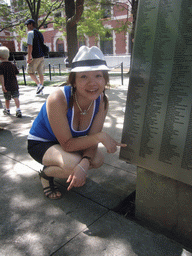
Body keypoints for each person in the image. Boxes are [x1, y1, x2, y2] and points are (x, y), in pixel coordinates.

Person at [27, 46, 126, 199]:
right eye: (84, 76)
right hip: (42, 143)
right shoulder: (58, 98)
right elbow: (68, 144)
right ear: (73, 81)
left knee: (98, 159)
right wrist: (100, 137)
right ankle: (46, 174)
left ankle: (69, 167)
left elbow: (91, 141)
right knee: (73, 163)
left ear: (105, 79)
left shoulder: (102, 103)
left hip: (68, 144)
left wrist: (85, 163)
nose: (92, 83)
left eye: (98, 75)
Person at [0, 46, 22, 118]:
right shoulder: (13, 65)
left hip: (6, 85)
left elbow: (1, 76)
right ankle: (18, 109)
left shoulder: (1, 66)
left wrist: (3, 86)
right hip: (14, 85)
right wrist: (16, 83)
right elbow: (15, 75)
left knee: (7, 98)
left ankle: (7, 109)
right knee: (16, 97)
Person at [25, 19, 45, 94]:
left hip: (35, 56)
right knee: (40, 73)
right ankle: (41, 91)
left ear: (31, 24)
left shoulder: (30, 33)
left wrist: (29, 56)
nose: (27, 26)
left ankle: (39, 85)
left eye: (27, 25)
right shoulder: (39, 33)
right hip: (41, 56)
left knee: (30, 71)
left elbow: (30, 46)